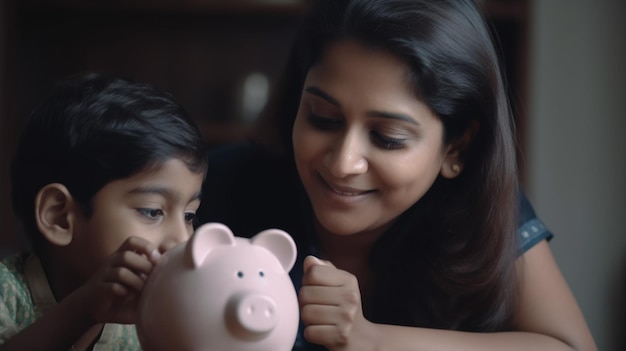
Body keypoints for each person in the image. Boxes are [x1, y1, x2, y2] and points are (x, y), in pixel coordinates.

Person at [198, 0, 598, 350]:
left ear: (456, 147)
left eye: (388, 138)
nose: (343, 162)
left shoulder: (480, 204)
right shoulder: (220, 185)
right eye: (323, 119)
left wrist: (372, 341)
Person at [0, 73, 208, 350]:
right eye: (152, 211)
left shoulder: (151, 318)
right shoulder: (6, 293)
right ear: (59, 217)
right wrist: (84, 310)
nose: (182, 241)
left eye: (189, 216)